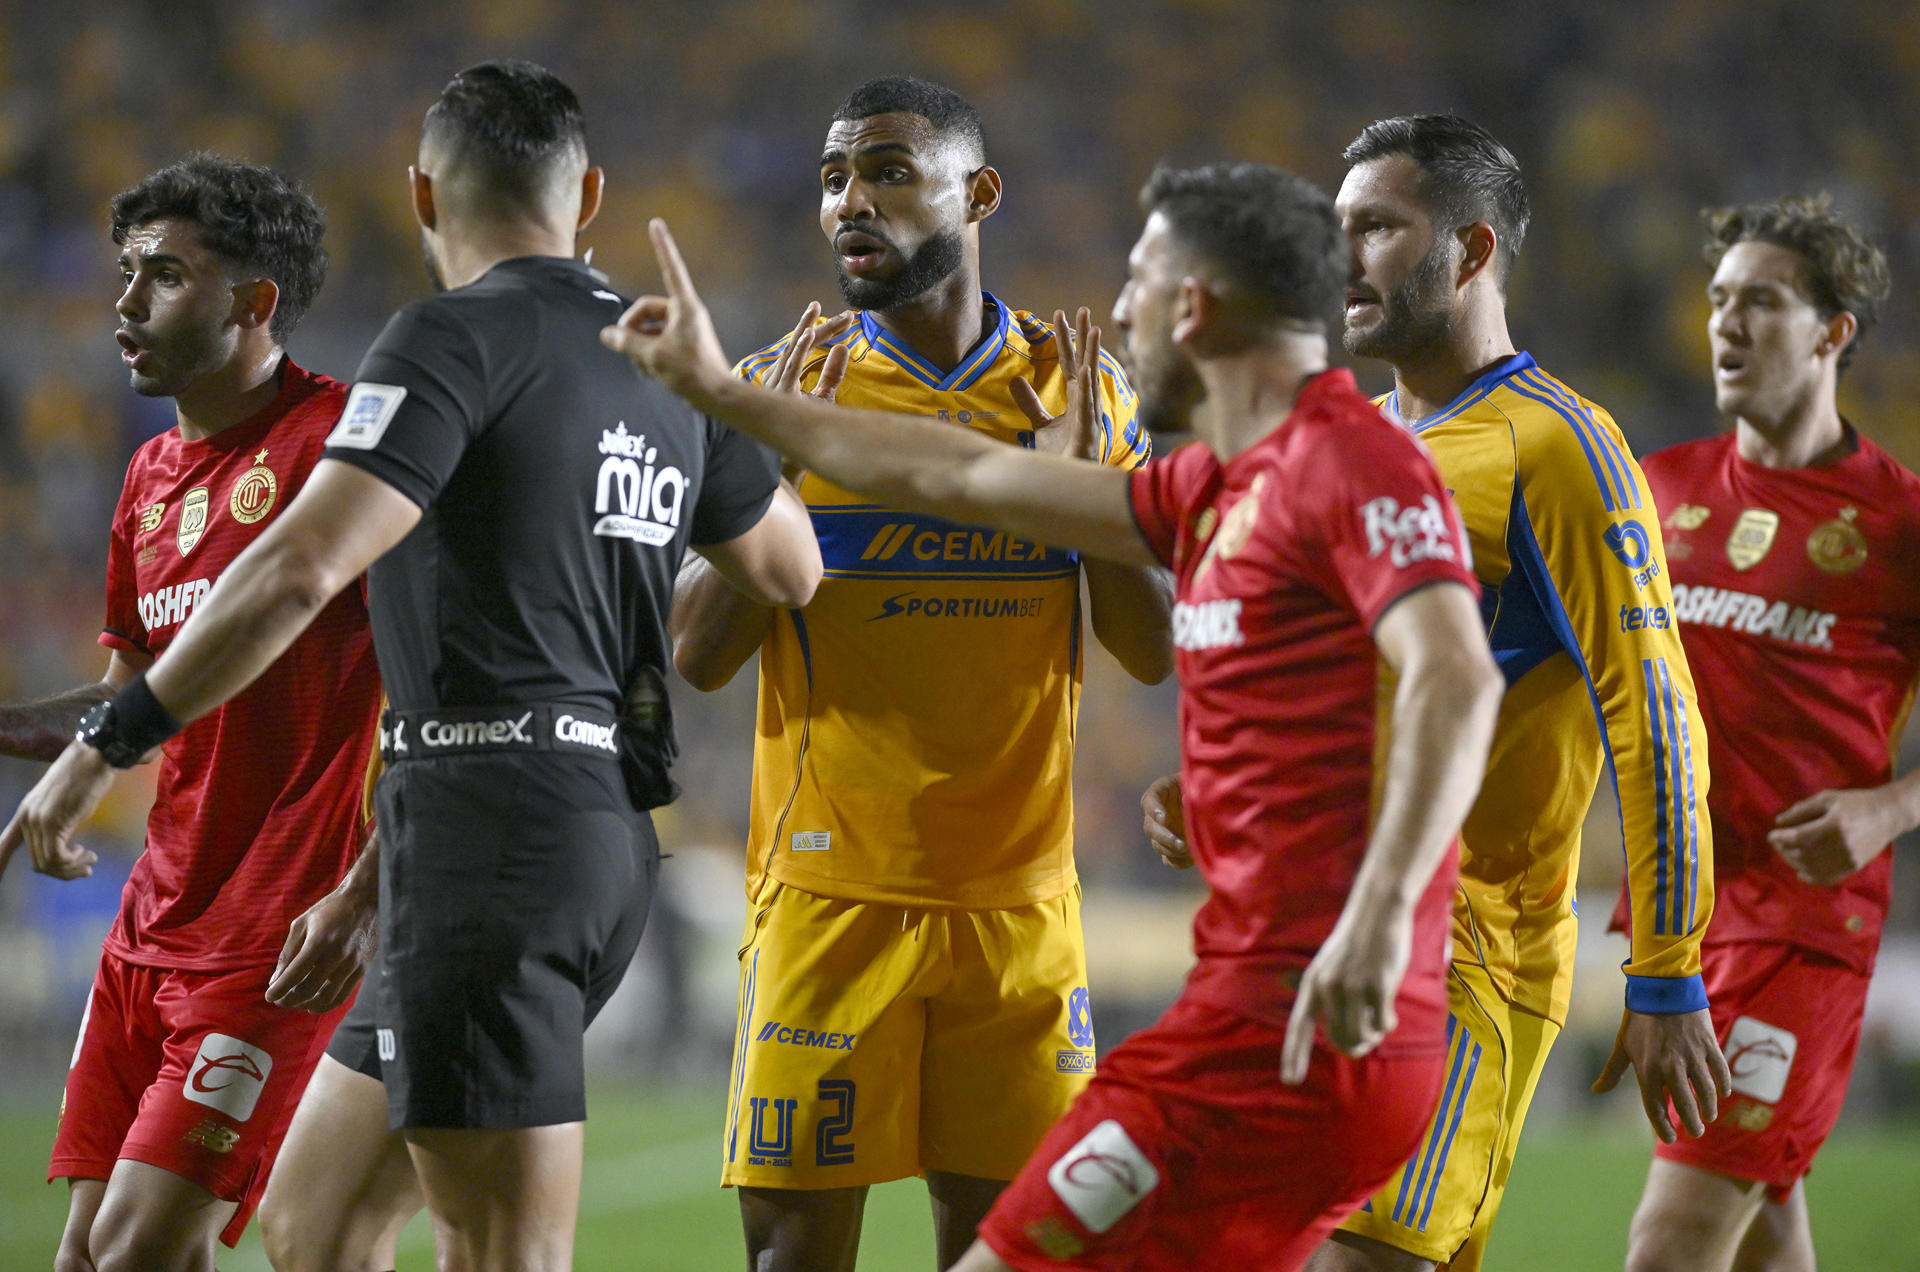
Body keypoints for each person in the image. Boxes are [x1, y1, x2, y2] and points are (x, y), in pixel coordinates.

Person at [604, 160, 1506, 1270]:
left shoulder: (1354, 464)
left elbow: (1458, 677)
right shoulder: (1222, 486)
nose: (1117, 314)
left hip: (1293, 1026)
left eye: (1138, 284)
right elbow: (960, 477)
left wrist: (1378, 916)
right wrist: (733, 398)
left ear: (1193, 305)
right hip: (1254, 1021)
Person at [3, 60, 822, 1272]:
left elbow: (299, 570)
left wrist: (102, 749)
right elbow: (789, 571)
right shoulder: (662, 362)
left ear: (424, 198)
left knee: (498, 1250)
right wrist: (740, 434)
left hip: (489, 829)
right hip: (591, 825)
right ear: (589, 194)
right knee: (317, 1219)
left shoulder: (450, 337)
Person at [1148, 114, 1732, 1272]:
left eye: (1375, 227)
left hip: (1465, 956)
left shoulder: (1558, 449)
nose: (1339, 257)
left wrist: (1668, 969)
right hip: (1320, 942)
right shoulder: (1346, 441)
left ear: (1469, 252)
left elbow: (1655, 713)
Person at [668, 75, 1172, 1272]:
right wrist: (768, 480)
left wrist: (1084, 499)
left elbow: (1151, 650)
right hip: (829, 901)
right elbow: (697, 653)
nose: (852, 200)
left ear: (978, 192)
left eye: (889, 172)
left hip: (1018, 912)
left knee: (1011, 1258)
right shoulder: (787, 388)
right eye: (835, 178)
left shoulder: (1080, 387)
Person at [0, 156, 383, 1272]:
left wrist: (367, 890)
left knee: (136, 1250)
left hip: (276, 934)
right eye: (127, 272)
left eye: (165, 277)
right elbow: (128, 699)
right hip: (152, 921)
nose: (126, 303)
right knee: (86, 1258)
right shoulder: (149, 478)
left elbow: (436, 681)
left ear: (255, 302)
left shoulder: (344, 447)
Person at [1611, 196, 1915, 1272]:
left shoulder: (1898, 523)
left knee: (1672, 1244)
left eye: (1764, 301)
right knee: (1763, 1239)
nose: (1727, 324)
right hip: (1680, 925)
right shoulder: (1656, 491)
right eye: (1718, 299)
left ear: (1833, 332)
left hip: (1802, 928)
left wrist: (1891, 807)